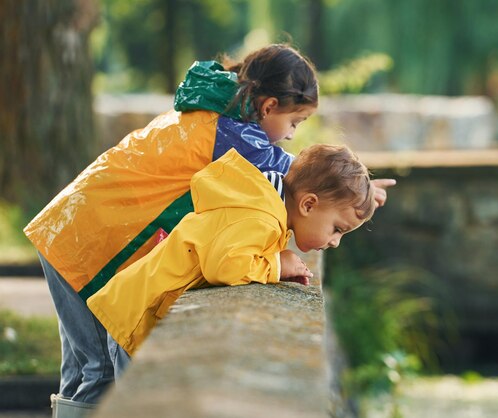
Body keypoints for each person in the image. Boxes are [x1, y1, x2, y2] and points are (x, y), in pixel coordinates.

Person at [24, 44, 322, 416]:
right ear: (268, 107)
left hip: (71, 227)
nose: (293, 135)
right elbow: (301, 181)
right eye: (295, 123)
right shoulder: (233, 134)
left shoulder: (216, 109)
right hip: (87, 241)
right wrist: (356, 188)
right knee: (98, 370)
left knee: (83, 367)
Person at [86, 144, 375, 374]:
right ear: (308, 204)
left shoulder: (262, 206)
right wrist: (275, 266)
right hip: (138, 313)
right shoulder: (259, 216)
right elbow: (225, 267)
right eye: (337, 229)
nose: (335, 242)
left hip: (142, 303)